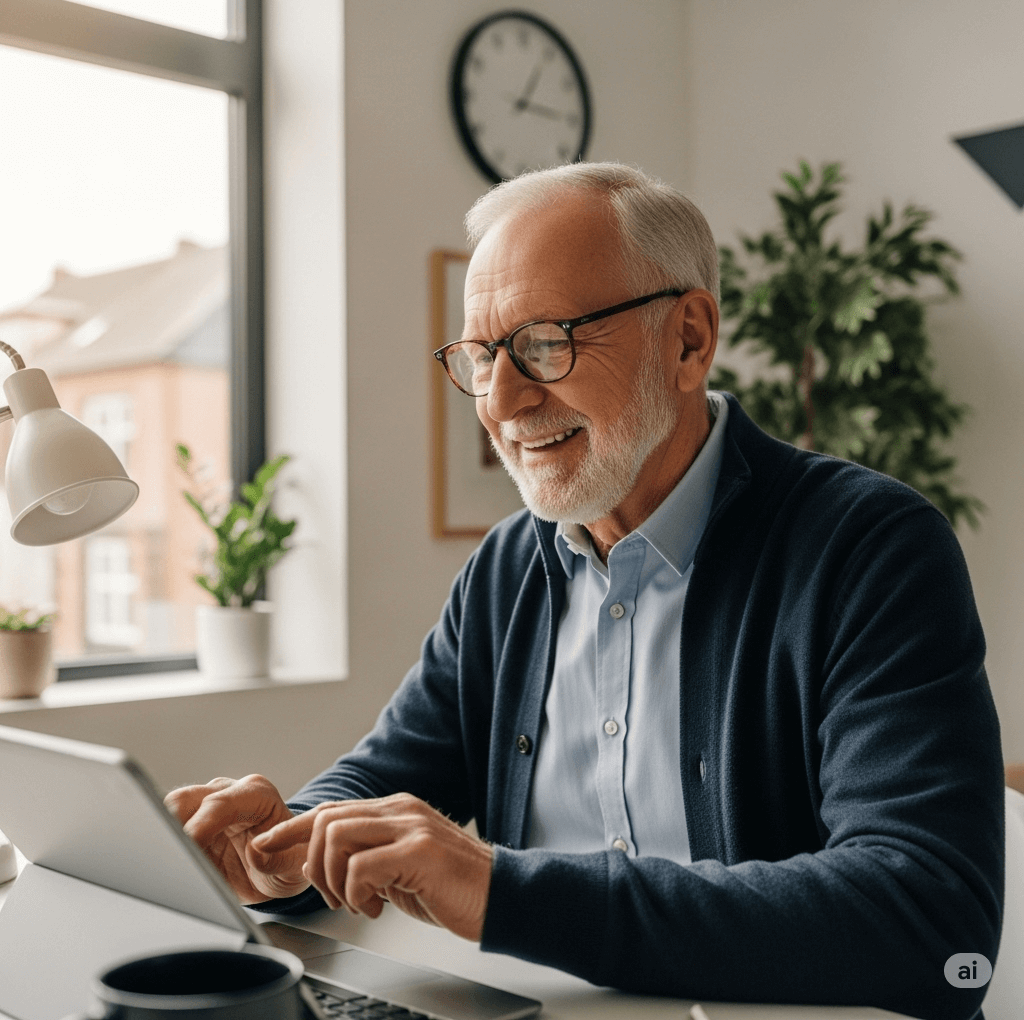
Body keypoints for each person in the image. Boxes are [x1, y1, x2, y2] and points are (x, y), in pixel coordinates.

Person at [166, 163, 1003, 1020]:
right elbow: (389, 774)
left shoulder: (871, 547)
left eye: (545, 343)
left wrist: (500, 891)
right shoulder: (505, 569)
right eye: (482, 355)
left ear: (688, 340)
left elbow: (932, 921)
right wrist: (290, 845)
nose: (501, 400)